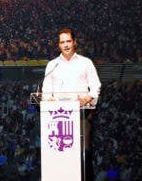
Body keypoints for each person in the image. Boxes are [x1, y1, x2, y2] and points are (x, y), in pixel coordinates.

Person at [41, 28, 101, 181]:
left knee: (83, 153)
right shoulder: (52, 65)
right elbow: (46, 91)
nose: (66, 45)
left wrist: (86, 99)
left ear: (74, 42)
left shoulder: (86, 63)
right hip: (57, 118)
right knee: (60, 153)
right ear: (58, 45)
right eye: (62, 42)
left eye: (68, 41)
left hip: (81, 113)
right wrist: (49, 100)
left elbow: (95, 87)